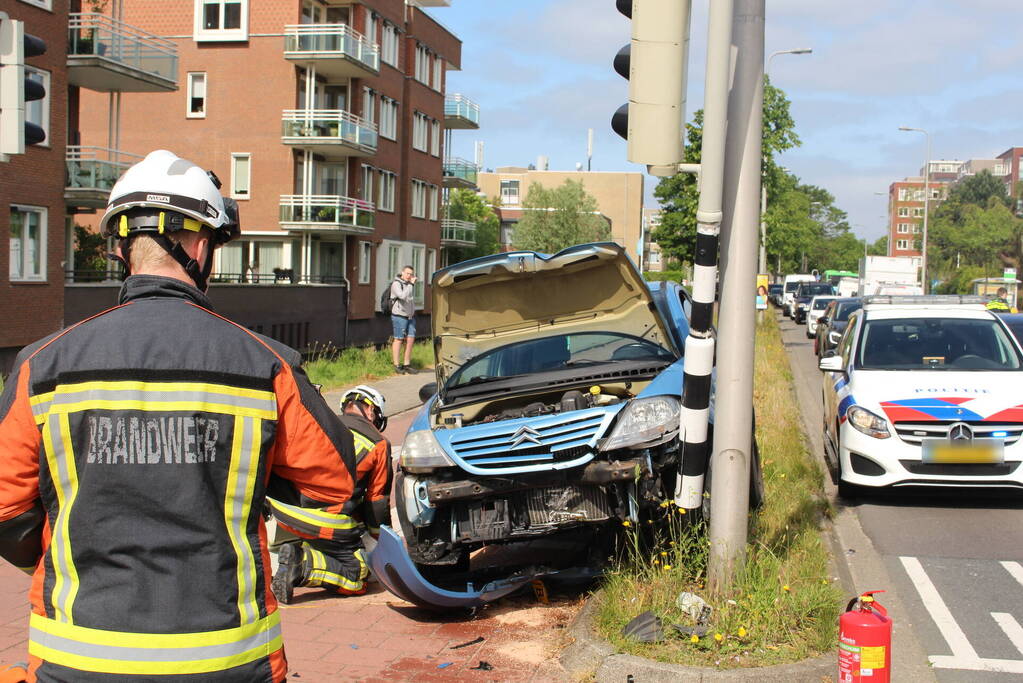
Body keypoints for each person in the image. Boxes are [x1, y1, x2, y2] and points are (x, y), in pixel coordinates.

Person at [0, 150, 358, 683]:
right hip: (228, 660)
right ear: (198, 245)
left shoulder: (41, 364)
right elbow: (335, 490)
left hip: (78, 660)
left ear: (124, 248)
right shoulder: (266, 365)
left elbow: (6, 511)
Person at [269, 385, 392, 603]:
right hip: (323, 520)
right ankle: (302, 564)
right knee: (357, 574)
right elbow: (376, 501)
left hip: (283, 510)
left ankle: (306, 551)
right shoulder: (378, 444)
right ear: (371, 410)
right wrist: (382, 541)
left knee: (336, 535)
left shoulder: (322, 425)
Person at [390, 266, 417, 374]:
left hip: (410, 316)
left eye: (411, 274)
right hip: (399, 315)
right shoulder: (396, 284)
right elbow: (402, 296)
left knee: (410, 339)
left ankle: (407, 364)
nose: (409, 276)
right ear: (402, 272)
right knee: (399, 339)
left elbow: (410, 300)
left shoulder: (408, 285)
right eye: (407, 273)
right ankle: (396, 365)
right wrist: (411, 284)